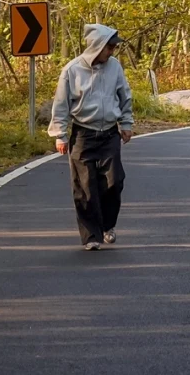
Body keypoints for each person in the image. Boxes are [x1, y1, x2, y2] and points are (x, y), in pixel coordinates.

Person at [49, 22, 134, 251]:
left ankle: (107, 225)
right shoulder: (72, 70)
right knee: (85, 187)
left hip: (109, 133)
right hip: (83, 134)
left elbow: (124, 95)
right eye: (109, 47)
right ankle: (91, 236)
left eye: (114, 48)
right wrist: (60, 135)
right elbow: (61, 103)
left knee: (114, 182)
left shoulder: (115, 67)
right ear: (97, 46)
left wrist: (126, 123)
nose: (112, 52)